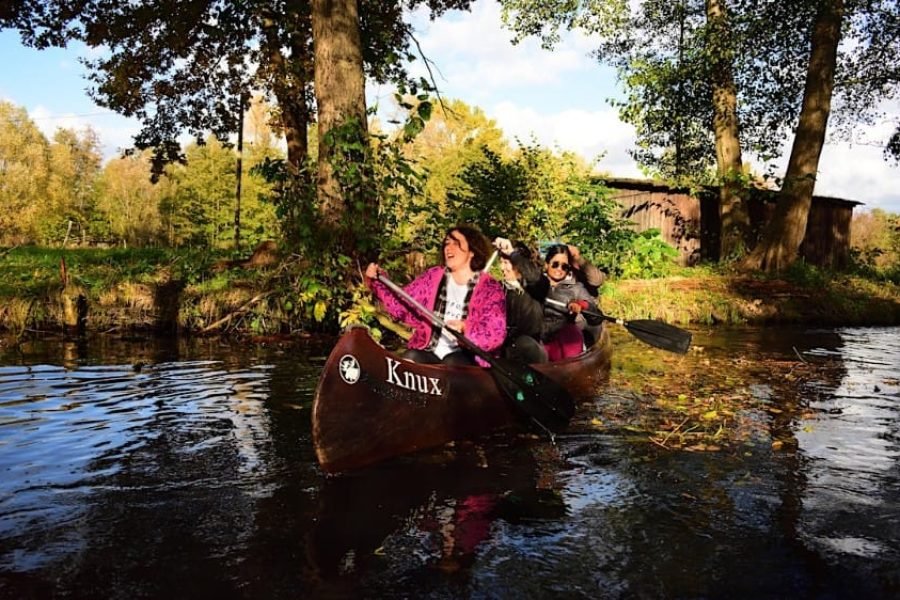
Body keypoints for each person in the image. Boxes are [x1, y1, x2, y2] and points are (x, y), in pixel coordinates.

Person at [365, 225, 506, 366]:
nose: (448, 248)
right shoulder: (433, 277)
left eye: (456, 243)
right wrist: (378, 281)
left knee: (451, 362)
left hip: (467, 358)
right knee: (411, 356)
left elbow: (495, 332)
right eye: (446, 244)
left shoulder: (489, 288)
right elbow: (402, 304)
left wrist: (465, 327)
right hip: (430, 351)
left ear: (472, 251)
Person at [528, 244, 604, 362]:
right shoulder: (535, 284)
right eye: (555, 264)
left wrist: (582, 305)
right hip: (538, 337)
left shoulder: (576, 288)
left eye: (564, 266)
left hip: (565, 338)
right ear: (547, 264)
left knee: (571, 334)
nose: (559, 269)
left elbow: (597, 317)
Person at [492, 238, 548, 364]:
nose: (502, 268)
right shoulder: (497, 288)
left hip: (530, 353)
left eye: (507, 263)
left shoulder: (538, 287)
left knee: (523, 344)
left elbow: (534, 276)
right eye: (501, 262)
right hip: (503, 352)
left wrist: (512, 253)